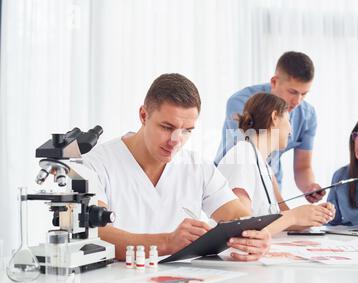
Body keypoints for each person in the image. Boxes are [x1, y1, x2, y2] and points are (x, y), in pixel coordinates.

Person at [83, 73, 271, 262]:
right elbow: (94, 233)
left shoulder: (198, 167)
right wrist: (167, 243)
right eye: (166, 127)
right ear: (143, 115)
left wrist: (256, 237)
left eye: (187, 130)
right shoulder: (96, 164)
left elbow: (239, 218)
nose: (176, 141)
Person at [215, 51, 325, 203]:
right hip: (235, 184)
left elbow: (302, 166)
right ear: (274, 82)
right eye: (292, 92)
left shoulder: (307, 114)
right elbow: (252, 154)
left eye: (304, 94)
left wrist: (310, 187)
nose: (297, 101)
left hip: (270, 187)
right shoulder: (242, 102)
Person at [217, 92, 335, 234]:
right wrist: (294, 216)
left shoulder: (265, 167)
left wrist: (314, 214)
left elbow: (282, 219)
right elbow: (240, 227)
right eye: (289, 121)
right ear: (274, 118)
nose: (291, 130)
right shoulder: (242, 156)